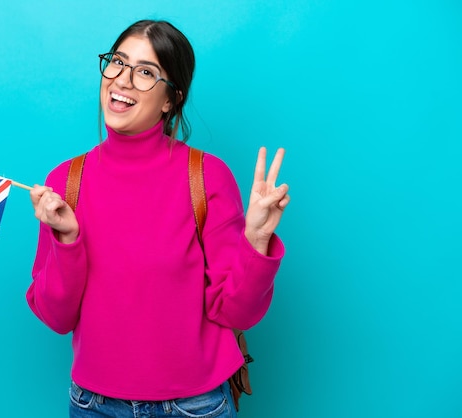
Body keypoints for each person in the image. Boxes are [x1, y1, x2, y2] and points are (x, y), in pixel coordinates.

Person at [27, 19, 290, 418]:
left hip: (195, 406)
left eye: (146, 72)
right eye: (117, 62)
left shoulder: (207, 177)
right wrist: (66, 240)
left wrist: (255, 242)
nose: (123, 80)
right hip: (94, 406)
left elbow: (237, 313)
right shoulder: (65, 182)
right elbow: (56, 316)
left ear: (171, 100)